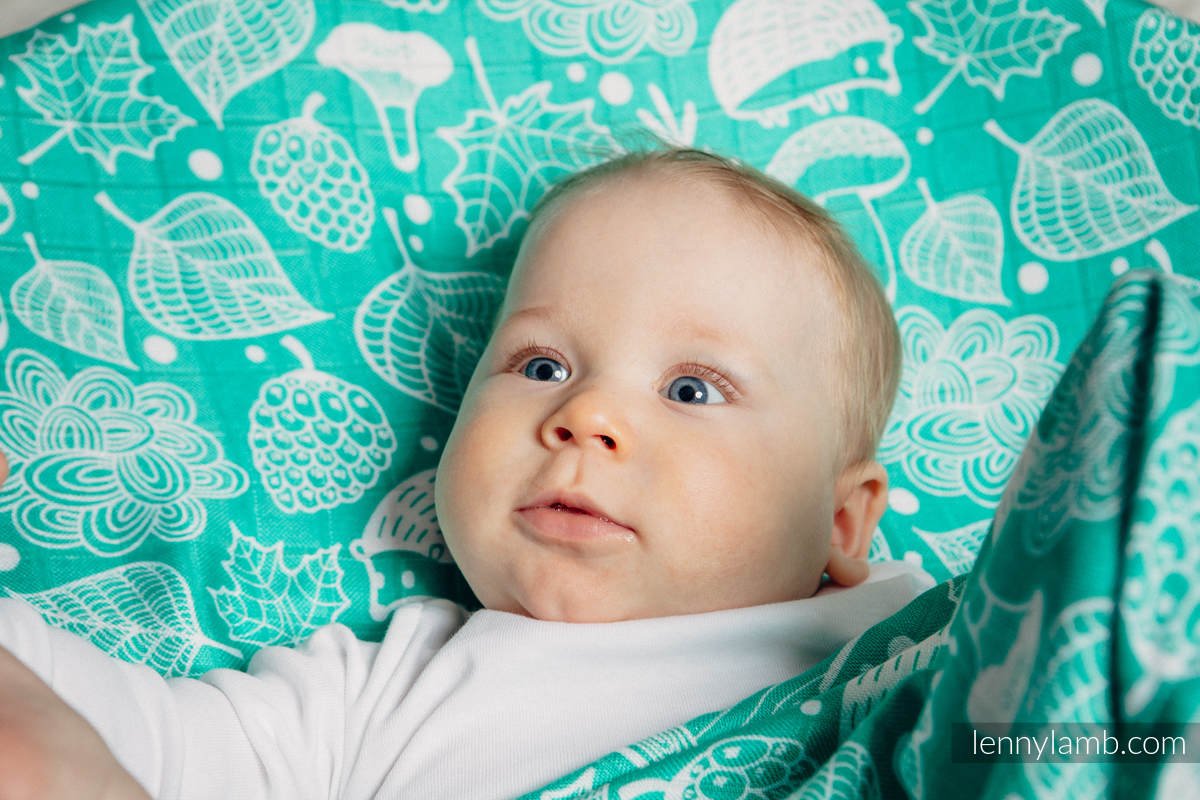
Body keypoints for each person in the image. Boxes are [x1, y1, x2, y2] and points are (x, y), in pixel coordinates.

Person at [0, 147, 934, 799]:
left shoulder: (911, 639)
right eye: (542, 367)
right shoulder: (384, 690)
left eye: (690, 389)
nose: (586, 416)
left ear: (843, 524)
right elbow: (159, 746)